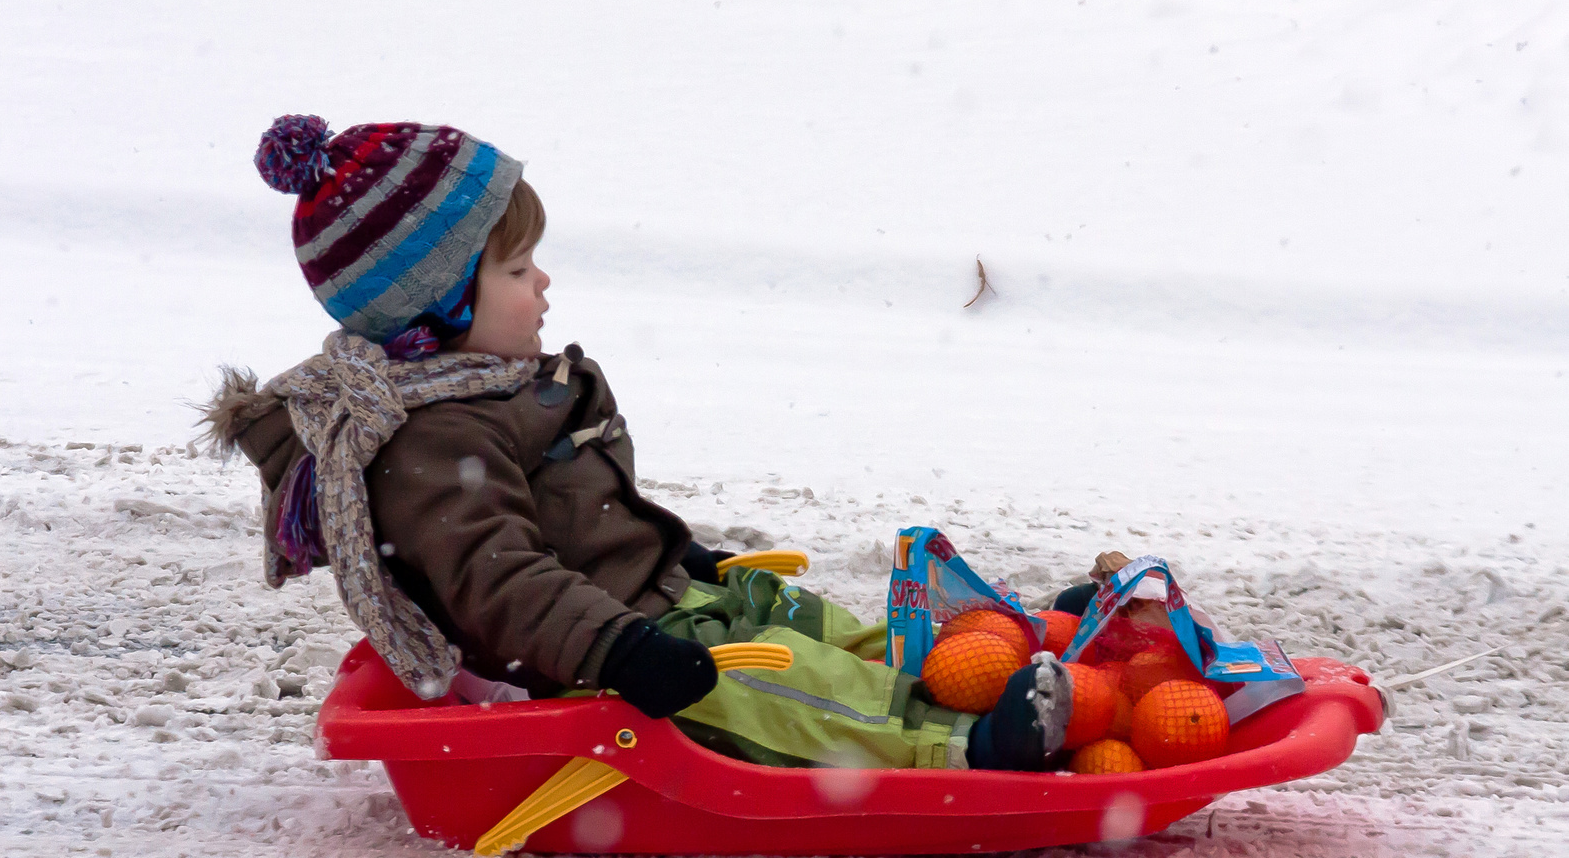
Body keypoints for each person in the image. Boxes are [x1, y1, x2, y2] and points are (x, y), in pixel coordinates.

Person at [204, 115, 1071, 773]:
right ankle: (968, 749)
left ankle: (987, 670)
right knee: (773, 692)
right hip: (596, 663)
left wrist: (680, 555)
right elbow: (503, 586)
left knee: (819, 632)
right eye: (514, 270)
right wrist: (622, 650)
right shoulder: (427, 439)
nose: (542, 282)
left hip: (658, 606)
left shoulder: (488, 390)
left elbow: (584, 514)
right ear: (437, 310)